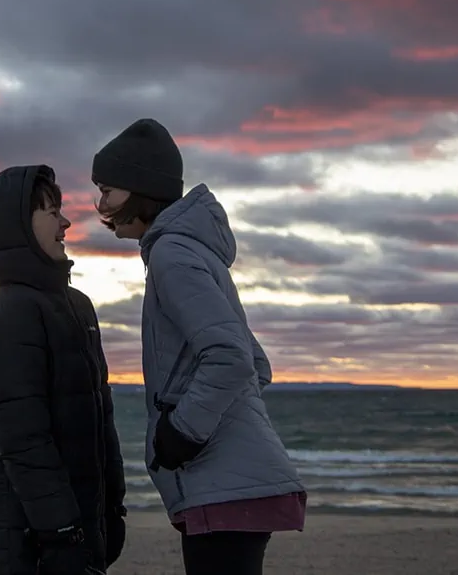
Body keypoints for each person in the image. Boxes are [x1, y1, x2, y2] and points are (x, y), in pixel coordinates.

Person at [91, 119, 307, 575]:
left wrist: (184, 431)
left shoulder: (172, 255)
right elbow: (256, 362)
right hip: (235, 480)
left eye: (107, 190)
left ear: (139, 188)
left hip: (225, 484)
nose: (100, 204)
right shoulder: (188, 252)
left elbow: (232, 357)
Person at [0, 164, 127, 575]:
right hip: (28, 541)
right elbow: (23, 438)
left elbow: (101, 422)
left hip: (79, 528)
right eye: (52, 212)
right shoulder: (10, 313)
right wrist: (61, 531)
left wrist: (111, 509)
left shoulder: (77, 306)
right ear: (16, 227)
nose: (66, 222)